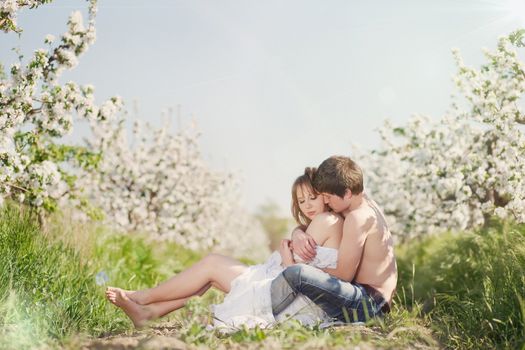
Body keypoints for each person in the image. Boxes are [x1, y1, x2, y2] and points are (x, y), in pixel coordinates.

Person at [105, 168, 343, 329]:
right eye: (301, 201)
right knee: (210, 278)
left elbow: (298, 276)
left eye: (312, 197)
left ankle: (143, 298)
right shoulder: (320, 224)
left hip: (288, 295)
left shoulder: (325, 222)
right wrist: (297, 232)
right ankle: (147, 313)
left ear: (324, 196)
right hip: (278, 284)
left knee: (212, 265)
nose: (307, 205)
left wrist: (286, 255)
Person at [270, 156, 397, 324]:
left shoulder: (356, 218)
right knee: (298, 273)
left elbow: (343, 276)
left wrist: (291, 264)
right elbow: (311, 222)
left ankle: (260, 309)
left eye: (328, 196)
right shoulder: (364, 203)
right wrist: (297, 233)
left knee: (297, 274)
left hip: (368, 305)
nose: (326, 200)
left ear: (347, 193)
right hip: (373, 301)